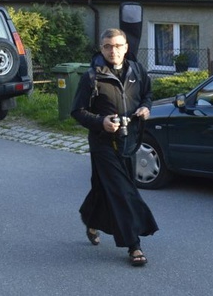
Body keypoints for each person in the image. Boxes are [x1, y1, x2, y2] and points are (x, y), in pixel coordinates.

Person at [71, 28, 157, 267]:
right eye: (108, 46)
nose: (113, 51)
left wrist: (145, 108)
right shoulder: (92, 76)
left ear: (126, 47)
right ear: (101, 48)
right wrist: (101, 122)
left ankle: (90, 217)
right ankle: (134, 245)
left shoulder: (137, 71)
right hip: (103, 143)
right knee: (123, 192)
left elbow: (147, 94)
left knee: (104, 187)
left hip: (129, 141)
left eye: (118, 46)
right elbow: (77, 111)